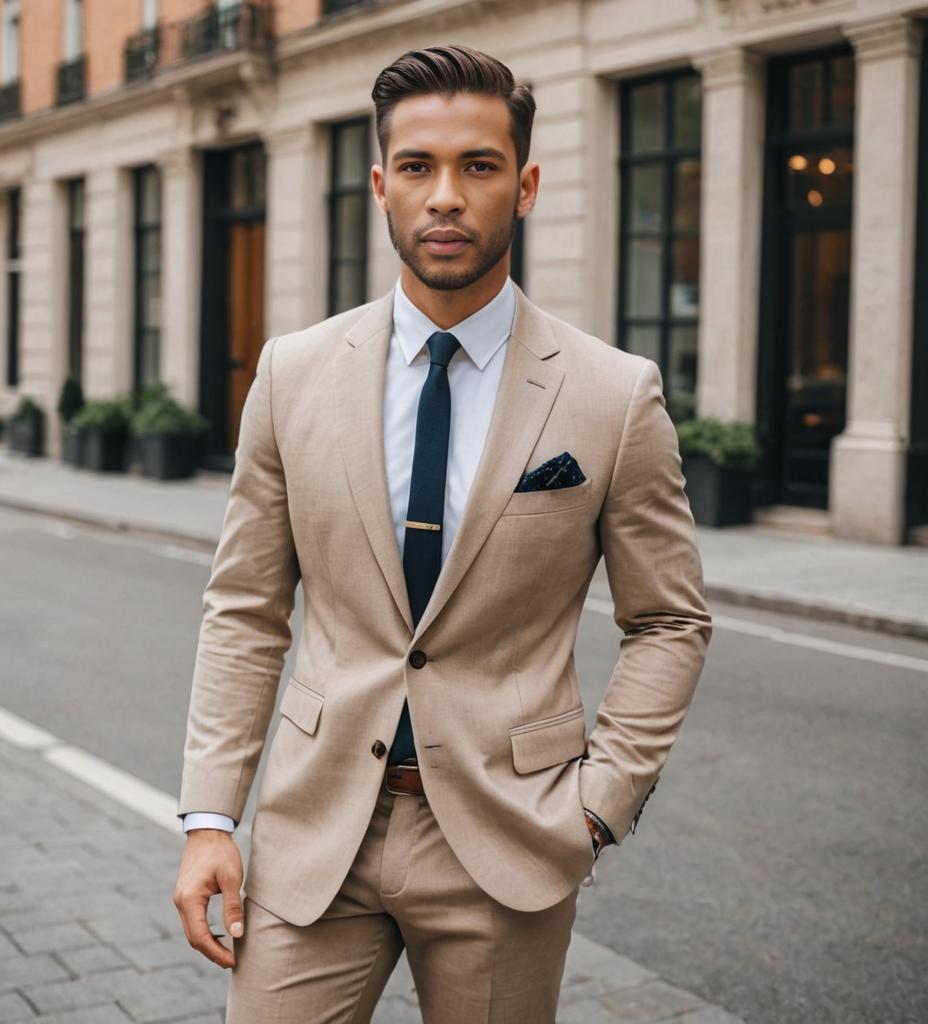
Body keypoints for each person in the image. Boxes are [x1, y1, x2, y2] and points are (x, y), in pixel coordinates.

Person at [172, 42, 712, 1024]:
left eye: (478, 165)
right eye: (417, 167)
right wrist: (210, 817)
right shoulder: (291, 374)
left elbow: (669, 619)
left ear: (527, 183)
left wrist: (597, 805)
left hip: (511, 837)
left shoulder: (611, 394)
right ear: (380, 186)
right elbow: (246, 606)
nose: (446, 196)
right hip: (316, 826)